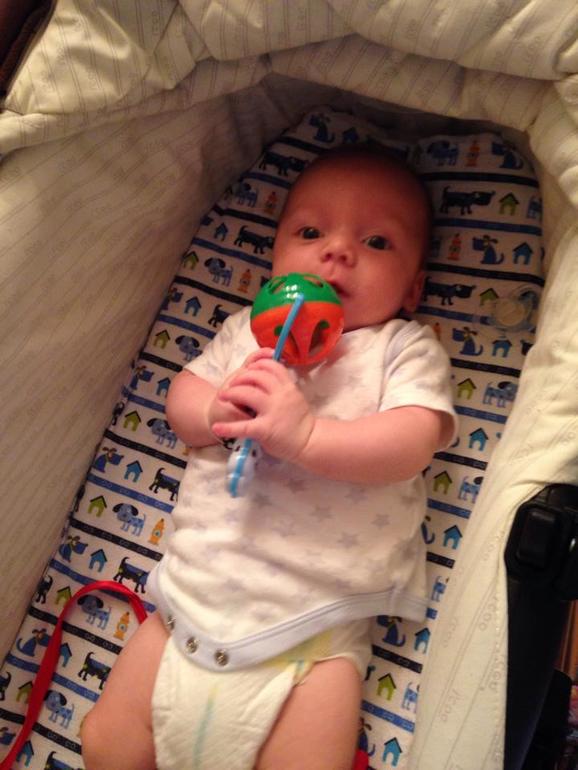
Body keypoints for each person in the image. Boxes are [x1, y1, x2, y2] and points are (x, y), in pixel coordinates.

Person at [81, 146, 458, 770]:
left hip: (315, 633)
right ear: (275, 258)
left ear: (413, 288)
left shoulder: (400, 348)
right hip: (186, 606)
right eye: (310, 233)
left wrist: (306, 437)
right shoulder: (244, 335)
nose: (337, 251)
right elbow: (182, 399)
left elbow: (412, 443)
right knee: (106, 744)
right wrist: (213, 410)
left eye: (376, 242)